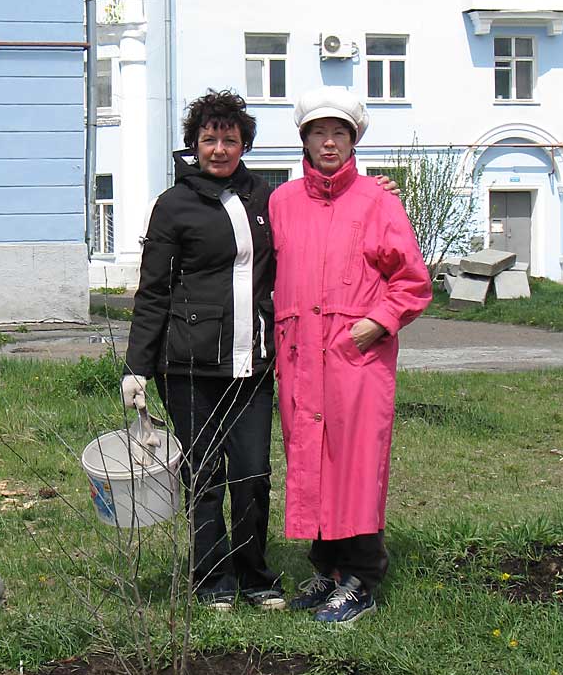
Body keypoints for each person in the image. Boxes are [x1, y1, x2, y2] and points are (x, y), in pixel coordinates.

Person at [268, 86, 432, 626]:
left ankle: (361, 577)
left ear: (354, 137)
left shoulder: (377, 201)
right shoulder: (283, 201)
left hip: (355, 356)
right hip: (299, 356)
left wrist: (376, 323)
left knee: (355, 464)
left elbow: (411, 282)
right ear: (304, 140)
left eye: (340, 132)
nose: (329, 142)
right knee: (310, 459)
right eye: (319, 132)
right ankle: (327, 569)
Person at [121, 89, 284, 611]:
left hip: (252, 362)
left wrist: (378, 190)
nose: (219, 148)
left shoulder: (264, 197)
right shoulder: (174, 205)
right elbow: (153, 291)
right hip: (189, 366)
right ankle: (211, 578)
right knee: (207, 472)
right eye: (209, 139)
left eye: (229, 139)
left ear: (244, 145)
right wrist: (136, 368)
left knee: (254, 473)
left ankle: (255, 573)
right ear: (194, 144)